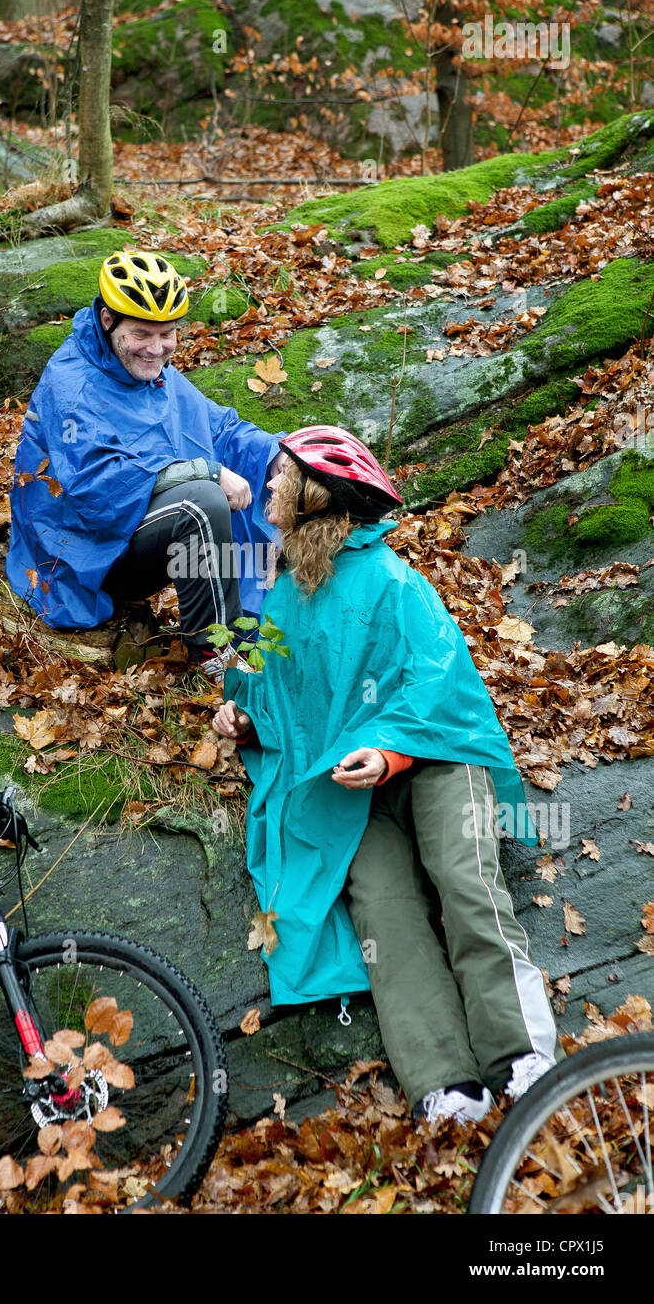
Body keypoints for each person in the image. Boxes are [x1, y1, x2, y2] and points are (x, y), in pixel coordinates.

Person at [212, 426, 561, 1126]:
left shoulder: (395, 581)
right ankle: (445, 1084)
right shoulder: (284, 595)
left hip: (435, 762)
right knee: (383, 912)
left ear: (317, 495)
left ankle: (523, 1060)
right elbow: (291, 701)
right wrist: (248, 720)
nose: (271, 485)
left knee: (465, 884)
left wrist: (390, 752)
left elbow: (436, 684)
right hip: (346, 790)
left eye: (283, 475)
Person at [6, 251, 284, 678]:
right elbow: (97, 484)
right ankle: (213, 655)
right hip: (83, 554)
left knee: (276, 476)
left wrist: (281, 454)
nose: (156, 349)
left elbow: (216, 427)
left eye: (168, 334)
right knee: (202, 502)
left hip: (131, 531)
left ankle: (252, 634)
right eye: (142, 334)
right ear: (106, 320)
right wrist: (207, 472)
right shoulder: (72, 384)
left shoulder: (147, 369)